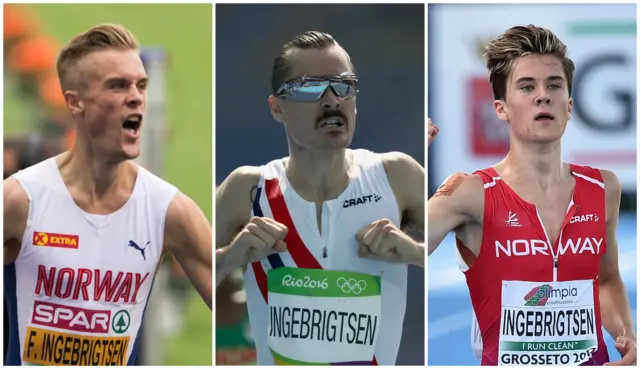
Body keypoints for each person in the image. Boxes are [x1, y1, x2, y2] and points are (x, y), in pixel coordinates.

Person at [3, 24, 212, 366]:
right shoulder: (19, 199)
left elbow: (244, 315)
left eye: (141, 85)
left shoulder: (170, 210)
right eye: (117, 85)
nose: (136, 96)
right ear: (74, 102)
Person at [427, 24, 636, 366]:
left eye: (554, 85)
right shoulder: (471, 193)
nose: (543, 95)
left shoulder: (603, 188)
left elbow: (607, 279)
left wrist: (628, 338)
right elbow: (405, 245)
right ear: (500, 108)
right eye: (527, 87)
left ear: (568, 105)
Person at [215, 30, 424, 365]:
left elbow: (477, 257)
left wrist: (414, 252)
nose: (331, 100)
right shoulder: (246, 189)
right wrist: (230, 256)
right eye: (310, 87)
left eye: (343, 86)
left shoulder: (396, 176)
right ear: (277, 108)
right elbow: (184, 282)